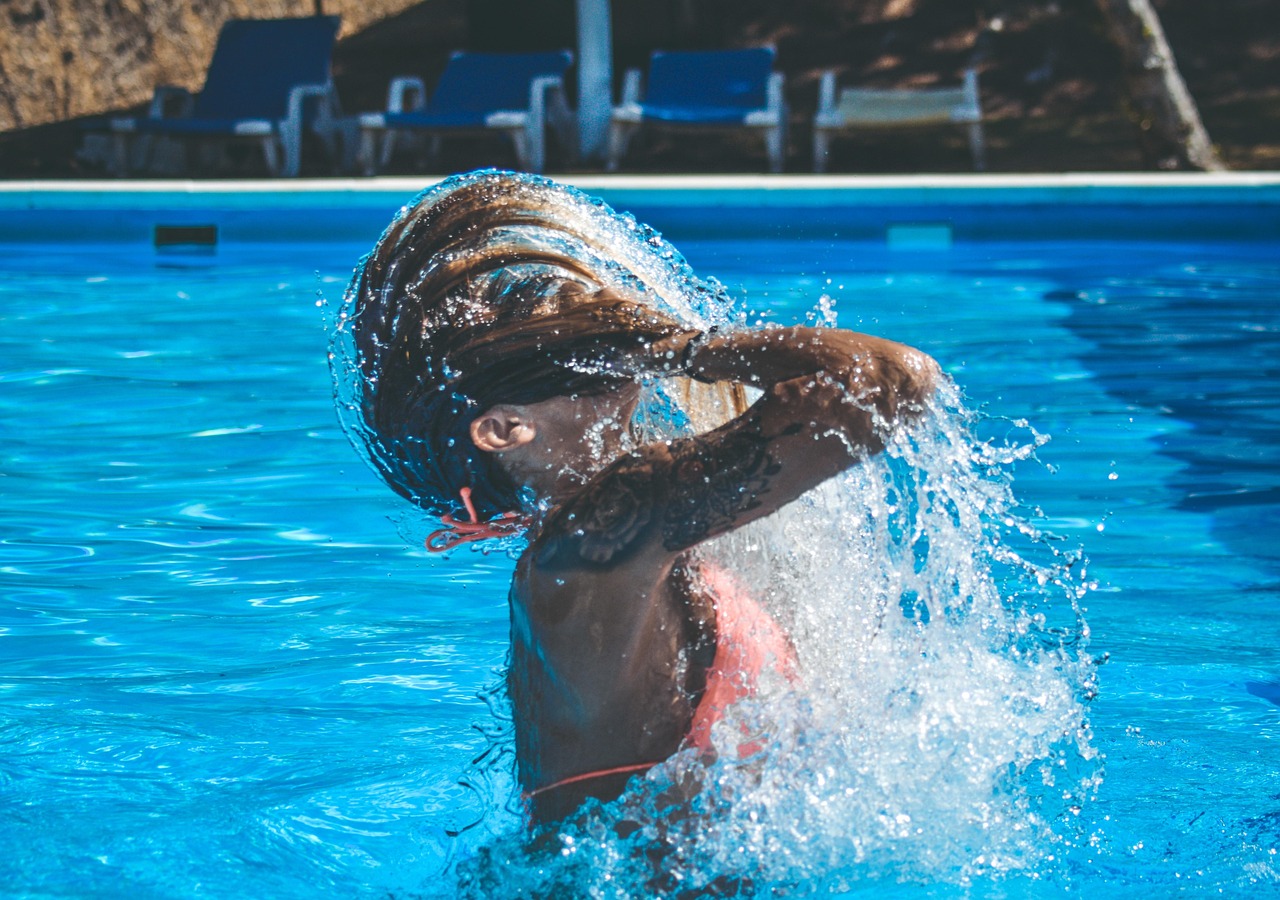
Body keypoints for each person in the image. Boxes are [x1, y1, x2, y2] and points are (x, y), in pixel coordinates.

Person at [338, 170, 939, 826]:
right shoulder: (595, 539)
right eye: (571, 340)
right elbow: (889, 382)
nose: (599, 331)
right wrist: (682, 346)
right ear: (507, 429)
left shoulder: (612, 529)